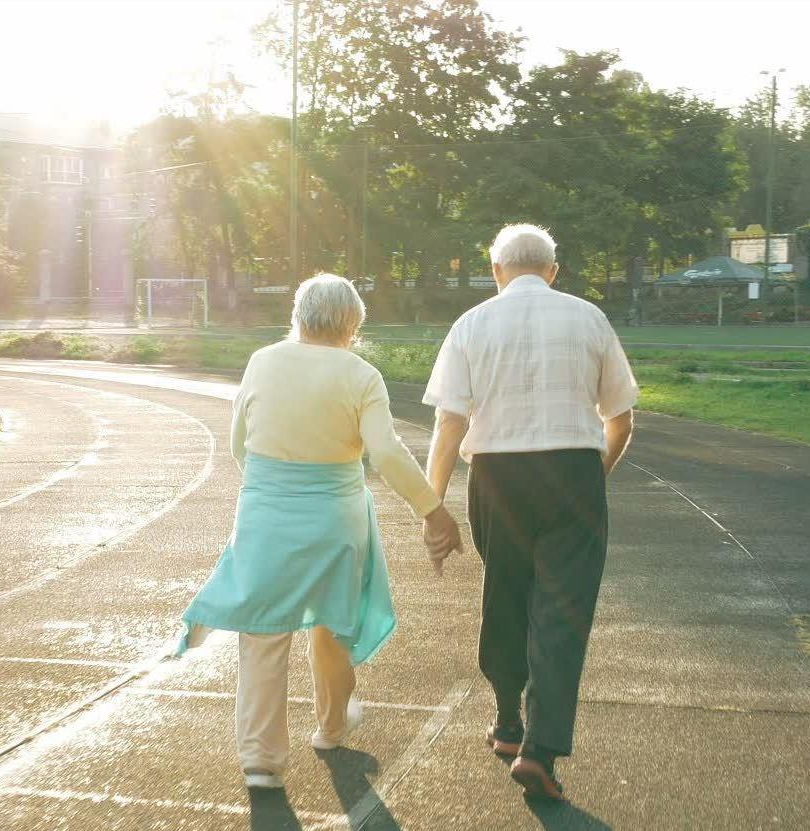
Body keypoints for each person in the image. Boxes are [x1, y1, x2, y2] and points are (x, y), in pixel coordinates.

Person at [181, 273, 462, 790]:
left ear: (298, 316)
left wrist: (275, 485)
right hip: (337, 516)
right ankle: (332, 728)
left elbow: (239, 444)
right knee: (332, 625)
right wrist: (433, 510)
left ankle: (261, 759)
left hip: (266, 514)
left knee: (263, 629)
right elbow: (386, 452)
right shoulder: (361, 375)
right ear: (353, 323)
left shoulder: (263, 362)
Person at [421, 224, 637, 801]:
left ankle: (507, 719)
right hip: (573, 472)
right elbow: (621, 420)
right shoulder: (589, 318)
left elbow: (450, 423)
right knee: (562, 612)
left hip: (497, 476)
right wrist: (593, 479)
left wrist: (431, 503)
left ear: (495, 272)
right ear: (553, 271)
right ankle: (541, 751)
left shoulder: (471, 324)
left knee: (506, 591)